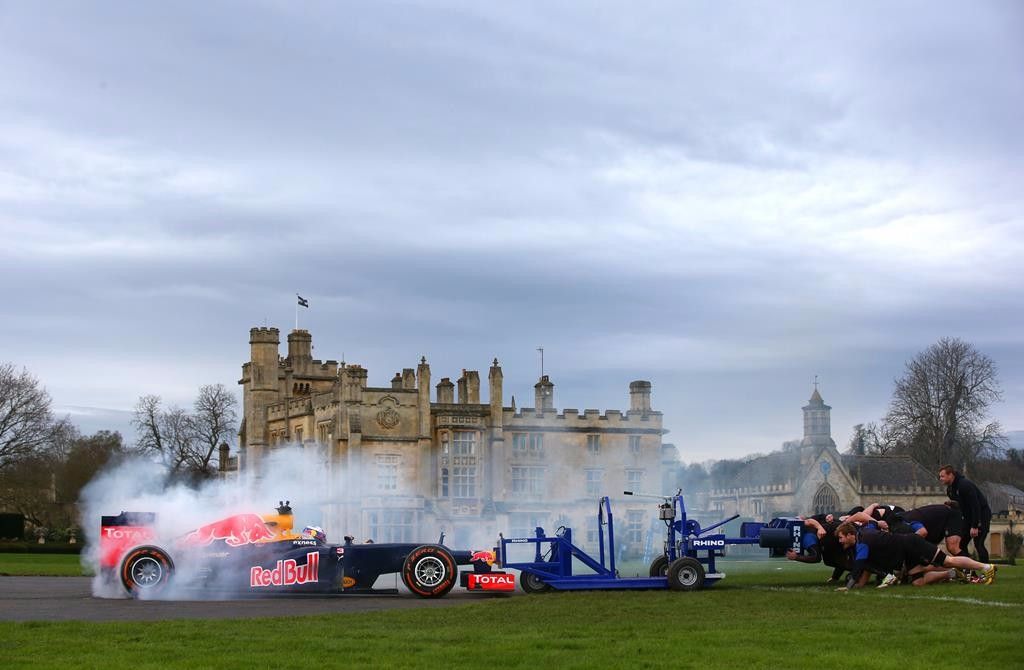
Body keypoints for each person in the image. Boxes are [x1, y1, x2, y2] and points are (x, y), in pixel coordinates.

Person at [834, 522, 996, 589]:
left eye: (841, 537)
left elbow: (859, 566)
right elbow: (873, 524)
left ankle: (987, 567)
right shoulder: (862, 532)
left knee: (947, 560)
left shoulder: (862, 541)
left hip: (912, 544)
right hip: (905, 553)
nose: (840, 541)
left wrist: (848, 587)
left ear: (849, 535)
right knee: (917, 582)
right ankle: (952, 574)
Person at [939, 466, 992, 561]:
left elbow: (975, 505)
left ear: (950, 475)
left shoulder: (964, 485)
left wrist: (975, 526)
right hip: (967, 517)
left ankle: (988, 572)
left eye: (942, 476)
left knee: (979, 544)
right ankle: (970, 571)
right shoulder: (950, 490)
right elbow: (962, 505)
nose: (940, 479)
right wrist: (952, 504)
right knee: (961, 545)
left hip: (981, 515)